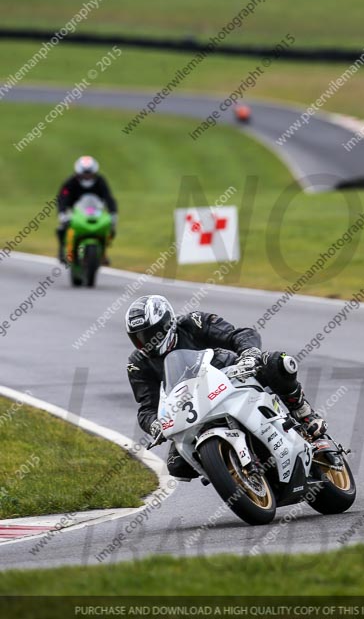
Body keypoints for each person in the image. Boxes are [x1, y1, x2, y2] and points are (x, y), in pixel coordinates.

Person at [125, 295, 327, 480]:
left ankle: (304, 413)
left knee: (277, 362)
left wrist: (249, 354)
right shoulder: (138, 363)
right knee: (177, 466)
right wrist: (155, 424)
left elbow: (238, 334)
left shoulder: (193, 322)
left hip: (229, 375)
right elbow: (147, 407)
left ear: (167, 323)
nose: (145, 342)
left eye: (150, 334)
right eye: (138, 338)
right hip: (192, 407)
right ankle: (228, 469)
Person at [56, 156, 118, 264]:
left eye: (89, 173)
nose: (87, 175)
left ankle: (103, 253)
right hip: (76, 212)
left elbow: (109, 198)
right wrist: (62, 213)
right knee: (62, 228)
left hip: (95, 212)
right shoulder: (71, 182)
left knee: (110, 228)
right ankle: (62, 251)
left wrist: (113, 214)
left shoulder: (100, 181)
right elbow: (63, 197)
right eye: (85, 173)